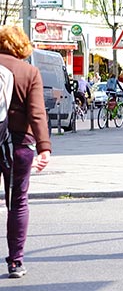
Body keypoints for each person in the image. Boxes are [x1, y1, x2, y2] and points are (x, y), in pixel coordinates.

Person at [0, 26, 52, 278]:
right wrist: (44, 148)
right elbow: (37, 113)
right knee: (17, 202)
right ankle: (15, 262)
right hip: (18, 145)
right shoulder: (29, 72)